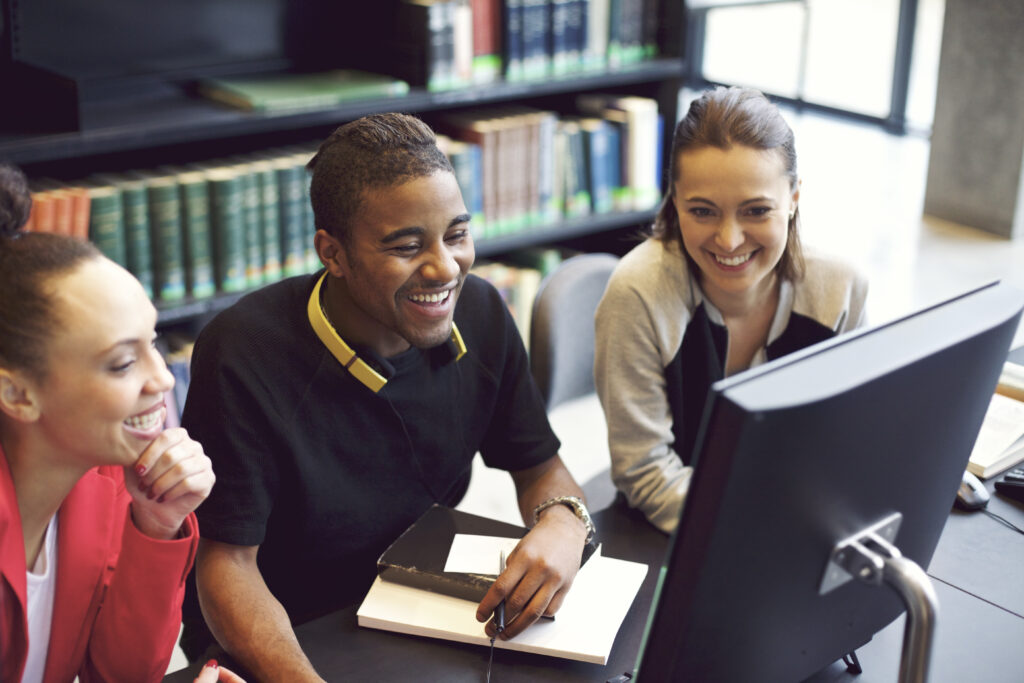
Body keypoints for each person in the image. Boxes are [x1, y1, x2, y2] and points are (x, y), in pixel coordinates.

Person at [180, 113, 595, 681]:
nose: (446, 268)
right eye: (406, 246)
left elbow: (539, 466)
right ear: (334, 253)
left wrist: (564, 524)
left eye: (457, 234)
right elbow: (226, 566)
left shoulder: (481, 311)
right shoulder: (242, 351)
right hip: (286, 632)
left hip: (418, 604)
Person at [594, 87, 869, 534]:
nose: (729, 240)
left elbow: (850, 433)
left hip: (799, 518)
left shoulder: (839, 289)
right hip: (672, 530)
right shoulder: (638, 294)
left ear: (795, 197)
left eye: (756, 210)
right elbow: (645, 472)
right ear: (676, 200)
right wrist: (766, 528)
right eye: (702, 211)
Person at [0, 162, 219, 682]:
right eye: (122, 363)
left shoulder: (102, 481)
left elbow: (120, 675)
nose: (163, 379)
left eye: (155, 343)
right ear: (17, 393)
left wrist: (156, 525)